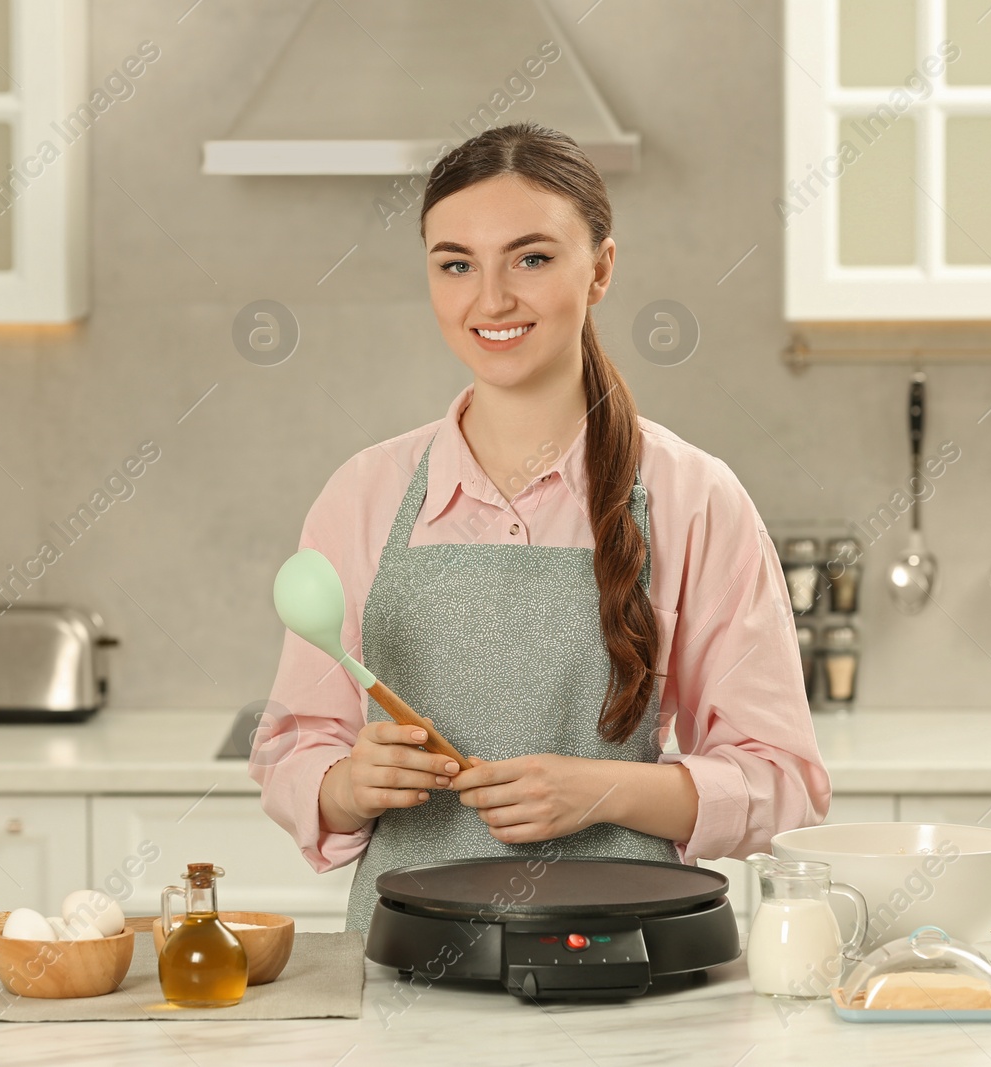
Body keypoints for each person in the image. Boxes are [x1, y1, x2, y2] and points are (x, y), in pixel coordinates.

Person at [250, 121, 829, 933]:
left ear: (601, 269)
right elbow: (292, 748)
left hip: (626, 965)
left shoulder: (693, 495)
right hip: (408, 968)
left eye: (531, 258)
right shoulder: (363, 496)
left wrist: (606, 789)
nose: (490, 299)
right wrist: (344, 784)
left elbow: (785, 783)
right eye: (456, 264)